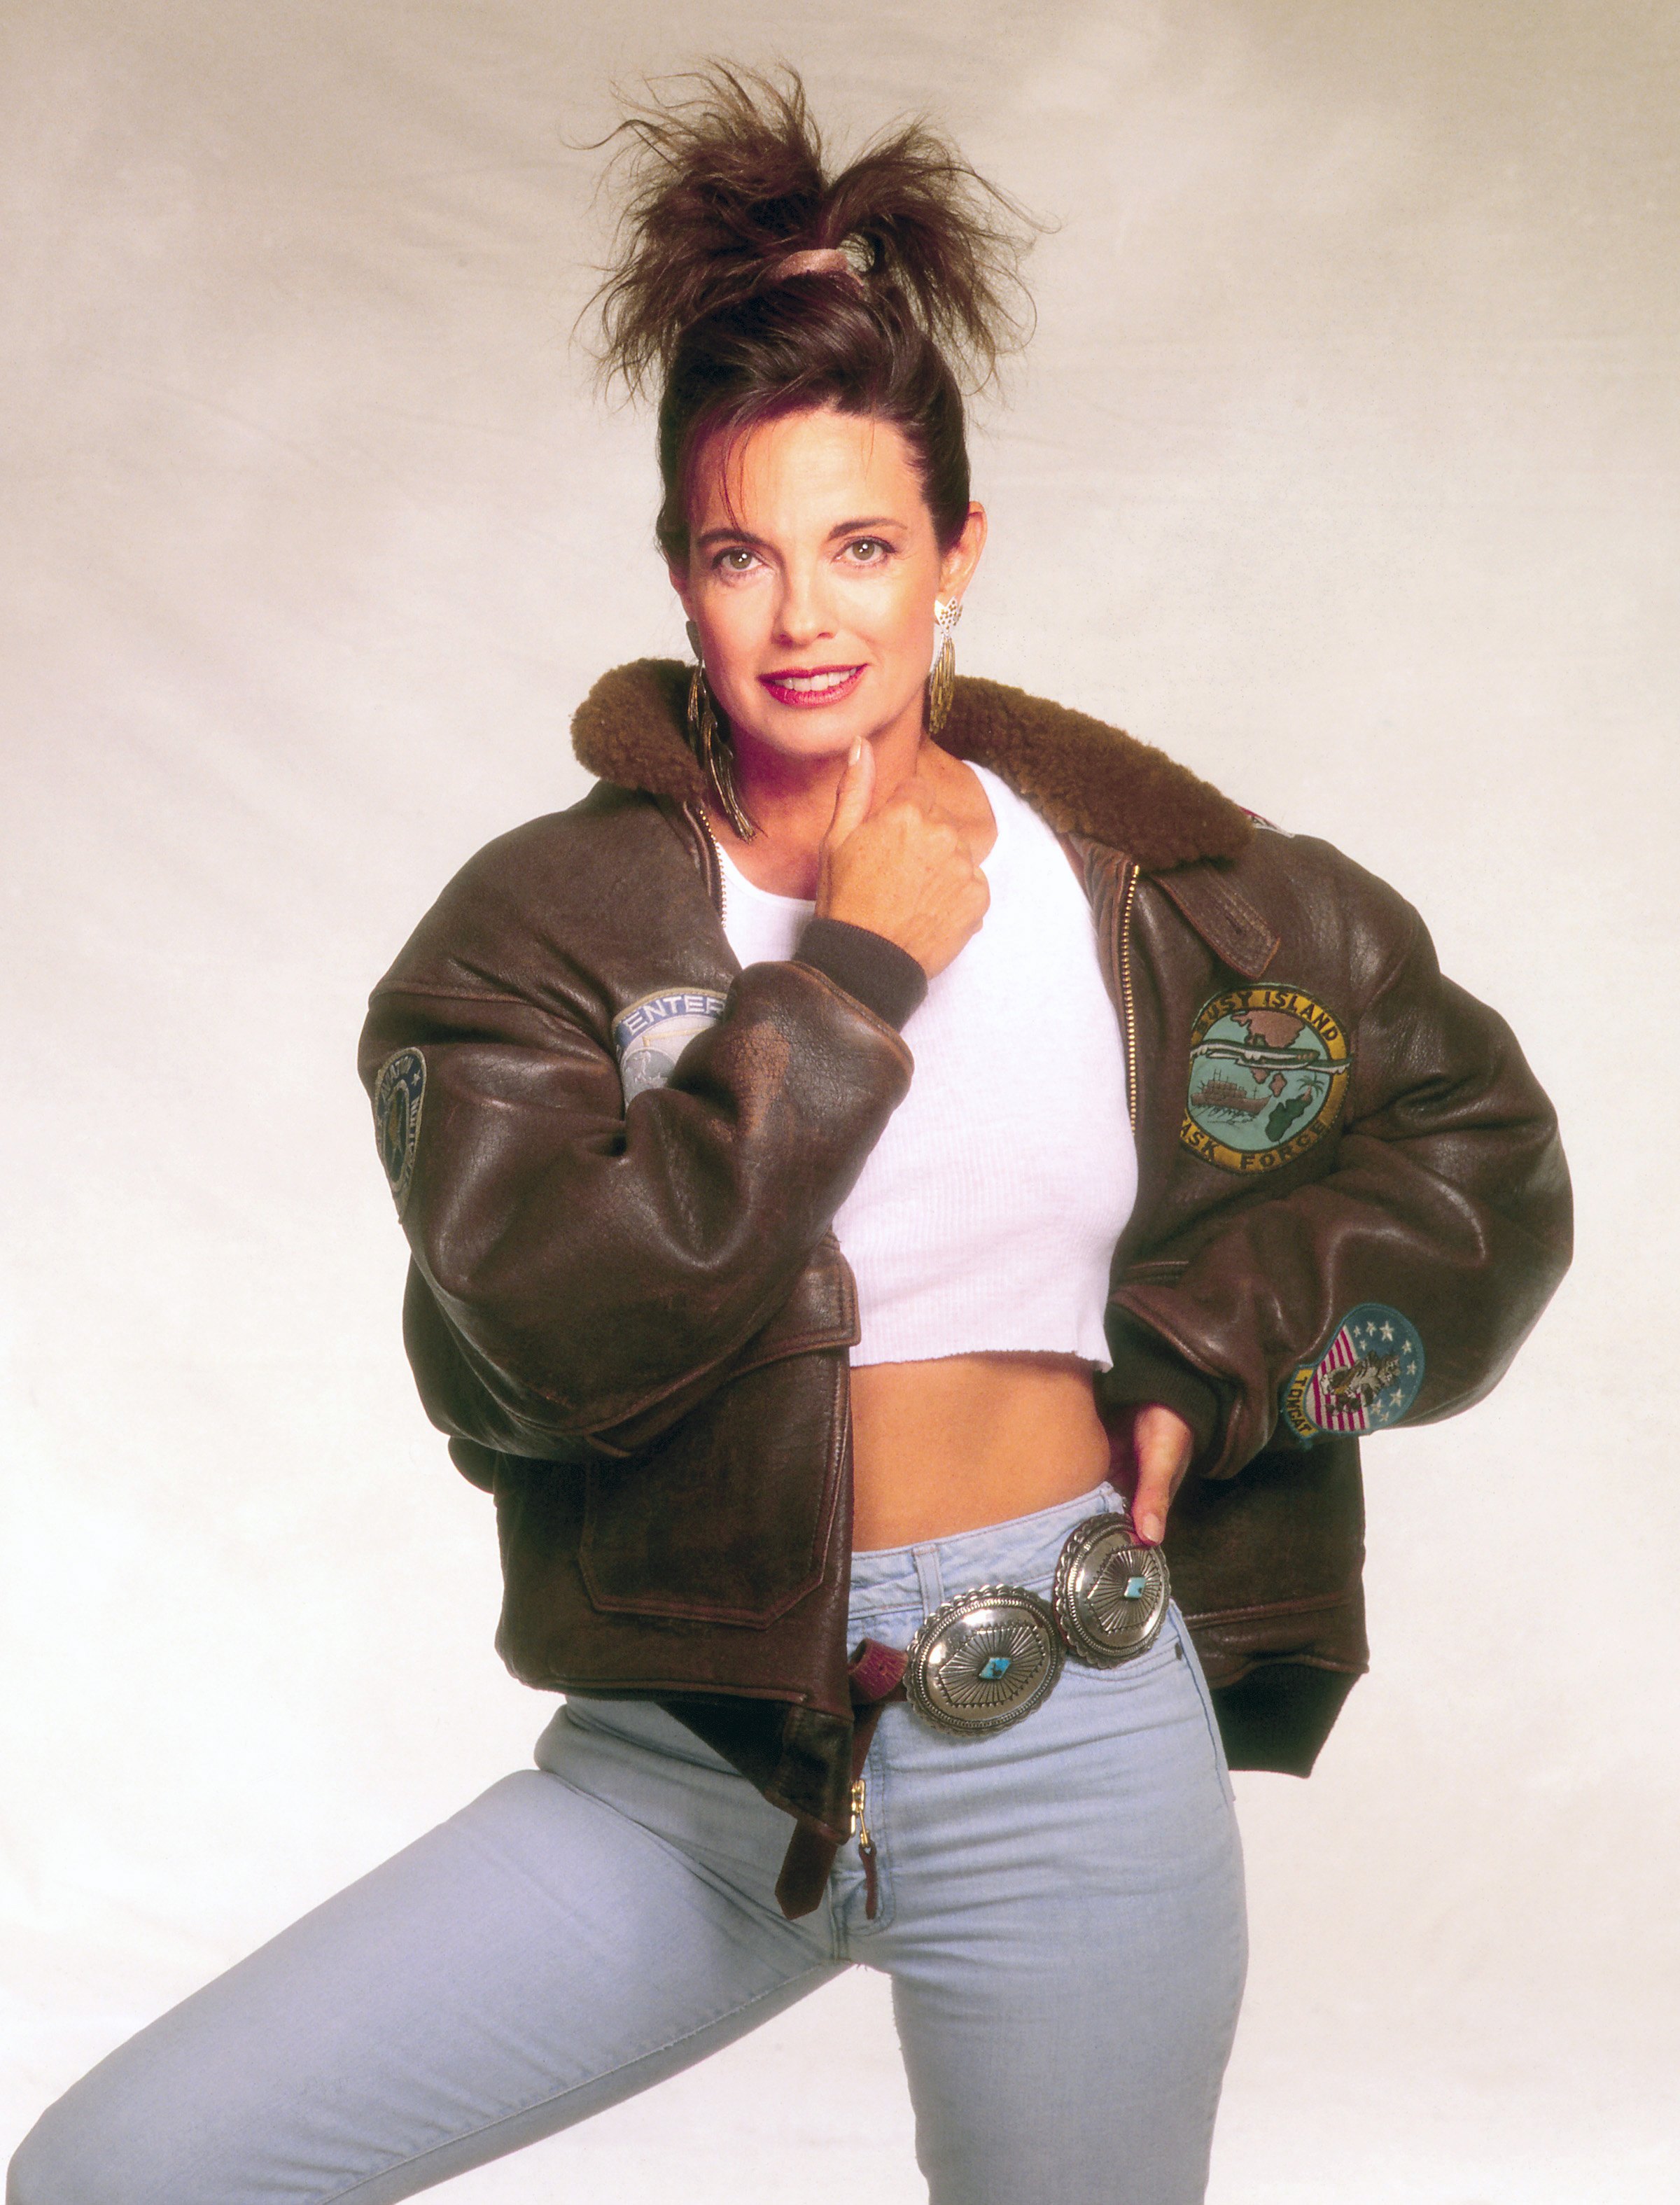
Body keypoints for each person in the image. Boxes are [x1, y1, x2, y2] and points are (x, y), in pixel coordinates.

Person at [9, 64, 1570, 2205]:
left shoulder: (1177, 890)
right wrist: (846, 980)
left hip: (1076, 1719)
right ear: (679, 572)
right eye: (747, 552)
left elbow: (1484, 1157)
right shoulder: (539, 931)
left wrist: (1212, 1360)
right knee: (127, 2172)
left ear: (958, 558)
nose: (808, 614)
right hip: (691, 1772)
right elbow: (551, 1340)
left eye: (864, 544)